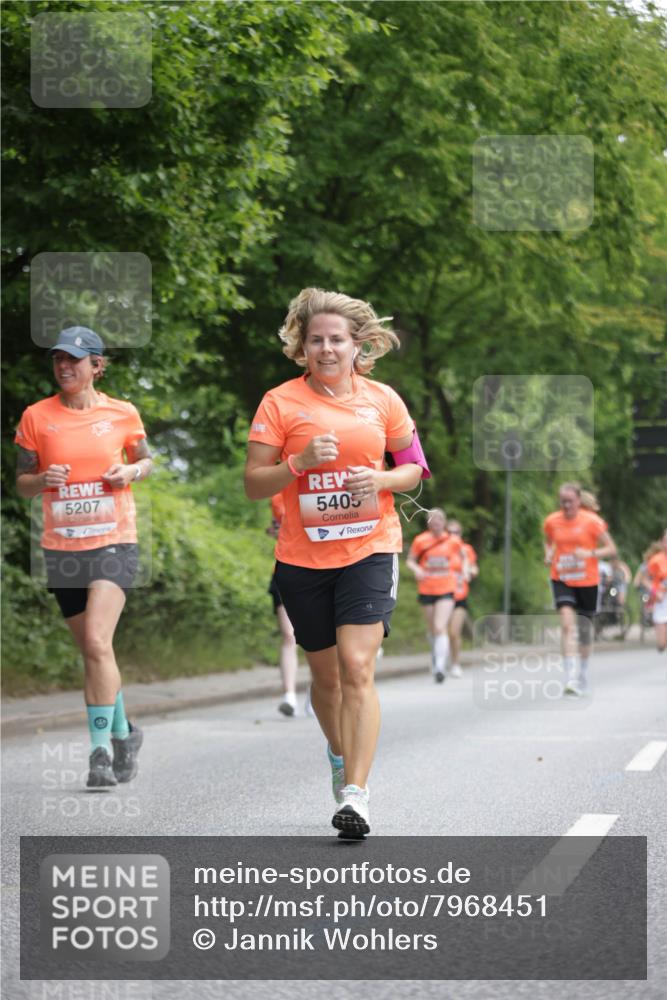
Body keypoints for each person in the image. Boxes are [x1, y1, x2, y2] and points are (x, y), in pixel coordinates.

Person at [245, 288, 427, 837]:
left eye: (337, 340)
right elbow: (255, 484)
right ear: (302, 347)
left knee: (357, 665)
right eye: (316, 340)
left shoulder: (383, 400)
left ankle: (356, 792)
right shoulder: (279, 403)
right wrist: (297, 463)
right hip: (302, 558)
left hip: (370, 546)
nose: (326, 349)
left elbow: (415, 469)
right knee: (325, 679)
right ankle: (338, 753)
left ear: (358, 346)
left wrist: (382, 479)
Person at [15, 327, 152, 788]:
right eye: (58, 359)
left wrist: (130, 470)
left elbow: (145, 461)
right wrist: (42, 481)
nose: (64, 367)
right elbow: (22, 483)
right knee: (95, 650)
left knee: (96, 641)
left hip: (114, 541)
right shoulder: (36, 416)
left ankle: (98, 754)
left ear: (97, 365)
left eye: (75, 359)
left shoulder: (122, 413)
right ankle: (124, 732)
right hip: (63, 547)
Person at [543, 482, 617, 696]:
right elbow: (548, 542)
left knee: (584, 631)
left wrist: (590, 554)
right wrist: (549, 553)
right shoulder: (551, 521)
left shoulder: (592, 522)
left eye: (570, 501)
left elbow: (611, 548)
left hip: (587, 580)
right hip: (562, 577)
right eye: (562, 501)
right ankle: (570, 678)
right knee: (567, 625)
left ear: (578, 500)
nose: (566, 505)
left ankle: (582, 673)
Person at [406, 509, 466, 683]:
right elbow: (411, 559)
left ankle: (440, 667)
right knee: (433, 628)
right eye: (432, 519)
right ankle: (436, 657)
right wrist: (416, 569)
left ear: (444, 522)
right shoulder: (420, 540)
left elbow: (464, 557)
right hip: (426, 588)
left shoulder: (453, 541)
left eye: (439, 519)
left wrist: (464, 572)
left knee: (440, 626)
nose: (436, 522)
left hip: (446, 588)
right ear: (428, 523)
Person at [266, 493, 298, 716]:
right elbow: (278, 525)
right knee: (289, 635)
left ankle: (325, 692)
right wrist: (277, 530)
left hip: (324, 569)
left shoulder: (326, 478)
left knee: (328, 640)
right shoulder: (277, 495)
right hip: (286, 571)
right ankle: (290, 695)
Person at [447, 520, 478, 677]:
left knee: (454, 632)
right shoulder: (441, 548)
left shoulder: (466, 550)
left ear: (461, 534)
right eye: (450, 532)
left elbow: (474, 567)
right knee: (438, 631)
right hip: (441, 595)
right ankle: (437, 660)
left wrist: (471, 571)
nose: (453, 535)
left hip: (459, 596)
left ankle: (455, 663)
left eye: (456, 532)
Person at [646, 529, 667, 653]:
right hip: (660, 599)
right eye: (665, 540)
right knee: (661, 645)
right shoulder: (655, 560)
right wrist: (655, 592)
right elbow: (645, 580)